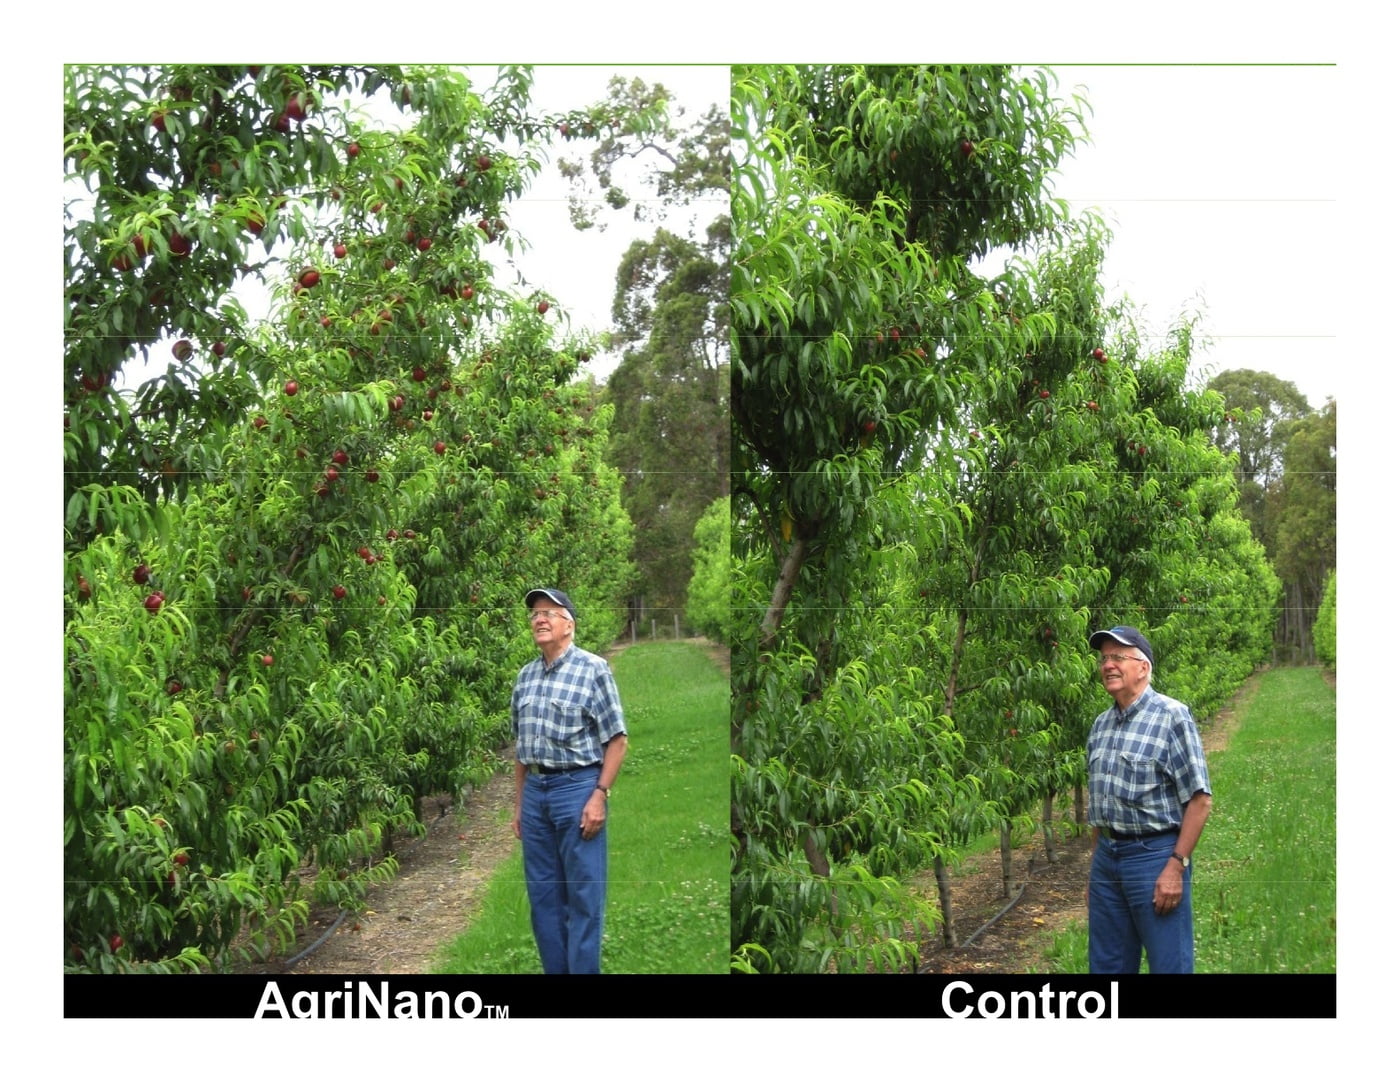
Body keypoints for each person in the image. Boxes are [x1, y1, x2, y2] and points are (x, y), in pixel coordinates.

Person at [511, 587, 628, 974]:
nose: (539, 619)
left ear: (569, 625)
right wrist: (519, 806)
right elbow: (521, 749)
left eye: (548, 612)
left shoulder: (593, 669)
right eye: (534, 614)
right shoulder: (525, 677)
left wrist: (600, 794)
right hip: (536, 796)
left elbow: (617, 739)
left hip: (577, 790)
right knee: (544, 899)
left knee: (583, 897)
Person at [1085, 625, 1212, 973]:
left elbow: (1200, 799)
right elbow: (1100, 806)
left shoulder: (1172, 717)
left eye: (1118, 657)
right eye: (1104, 658)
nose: (1108, 665)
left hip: (1153, 858)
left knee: (1168, 963)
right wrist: (1097, 867)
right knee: (1107, 966)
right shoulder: (1100, 725)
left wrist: (1176, 865)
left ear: (1143, 667)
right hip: (1108, 860)